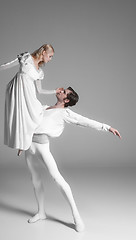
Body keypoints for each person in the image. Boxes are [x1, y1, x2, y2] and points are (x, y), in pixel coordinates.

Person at [25, 87, 121, 232]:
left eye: (64, 92)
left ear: (66, 100)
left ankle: (76, 216)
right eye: (62, 90)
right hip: (28, 146)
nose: (60, 90)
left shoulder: (64, 113)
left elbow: (84, 121)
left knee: (57, 178)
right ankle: (41, 212)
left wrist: (106, 127)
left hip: (42, 146)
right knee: (35, 178)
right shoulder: (44, 108)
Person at [0, 44, 61, 156]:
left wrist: (54, 91)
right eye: (50, 56)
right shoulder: (26, 58)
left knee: (35, 114)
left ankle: (26, 142)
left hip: (29, 94)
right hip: (18, 91)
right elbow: (7, 65)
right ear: (43, 53)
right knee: (21, 116)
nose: (50, 59)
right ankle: (23, 143)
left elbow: (39, 90)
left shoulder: (39, 72)